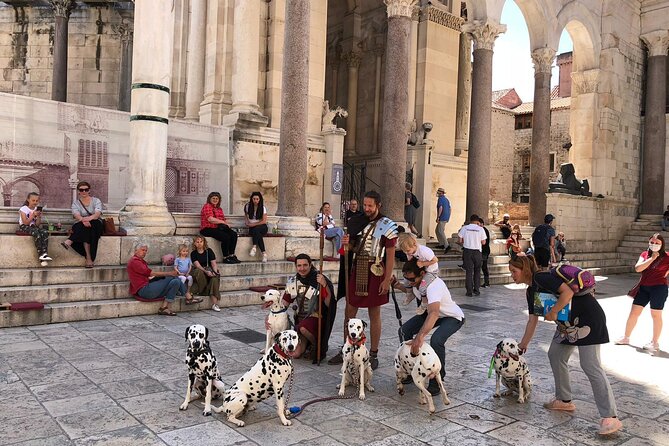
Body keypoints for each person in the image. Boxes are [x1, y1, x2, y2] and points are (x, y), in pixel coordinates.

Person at [508, 251, 622, 436]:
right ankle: (564, 400)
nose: (512, 275)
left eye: (514, 271)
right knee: (555, 354)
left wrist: (553, 310)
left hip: (587, 319)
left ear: (524, 269)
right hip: (567, 326)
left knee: (590, 366)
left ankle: (611, 417)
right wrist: (523, 344)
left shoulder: (542, 278)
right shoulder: (531, 291)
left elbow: (567, 291)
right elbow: (532, 320)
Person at [328, 190, 398, 369]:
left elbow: (390, 257)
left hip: (376, 273)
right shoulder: (356, 221)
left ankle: (373, 353)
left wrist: (387, 279)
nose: (366, 208)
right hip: (357, 269)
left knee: (374, 314)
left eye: (370, 206)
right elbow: (352, 247)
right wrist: (347, 244)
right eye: (365, 205)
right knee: (349, 312)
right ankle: (346, 348)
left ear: (378, 205)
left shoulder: (387, 225)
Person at [392, 258, 464, 395]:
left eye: (412, 279)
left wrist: (420, 336)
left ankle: (437, 380)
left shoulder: (433, 286)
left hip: (451, 316)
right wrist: (397, 284)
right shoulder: (418, 283)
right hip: (431, 313)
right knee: (404, 331)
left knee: (436, 340)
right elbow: (412, 291)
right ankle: (409, 369)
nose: (410, 282)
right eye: (407, 279)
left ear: (422, 273)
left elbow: (434, 312)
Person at [615, 233, 669, 354]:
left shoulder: (667, 256)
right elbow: (638, 268)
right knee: (634, 312)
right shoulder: (645, 255)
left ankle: (655, 342)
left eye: (657, 243)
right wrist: (652, 259)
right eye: (652, 242)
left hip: (659, 288)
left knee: (656, 315)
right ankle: (626, 337)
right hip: (644, 288)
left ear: (662, 244)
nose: (654, 245)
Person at [278, 254, 336, 360]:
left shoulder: (319, 279)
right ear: (296, 266)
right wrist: (273, 316)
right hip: (300, 321)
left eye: (305, 265)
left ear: (310, 265)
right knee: (295, 354)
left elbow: (329, 303)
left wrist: (324, 285)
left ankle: (317, 346)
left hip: (316, 318)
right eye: (299, 265)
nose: (302, 268)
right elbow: (284, 303)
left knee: (303, 328)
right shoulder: (294, 281)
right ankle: (307, 345)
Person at [127, 242, 185, 316]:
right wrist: (169, 273)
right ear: (135, 250)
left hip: (149, 286)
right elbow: (151, 273)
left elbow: (148, 275)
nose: (144, 252)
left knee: (176, 282)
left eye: (145, 251)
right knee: (172, 276)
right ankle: (187, 295)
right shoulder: (134, 261)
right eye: (142, 250)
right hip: (144, 290)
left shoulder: (141, 261)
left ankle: (164, 308)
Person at [60, 181, 103, 268]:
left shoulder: (96, 200)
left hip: (95, 223)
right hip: (82, 224)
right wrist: (83, 220)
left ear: (89, 190)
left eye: (86, 190)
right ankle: (89, 258)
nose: (84, 192)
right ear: (78, 191)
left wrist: (87, 219)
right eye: (81, 190)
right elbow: (76, 215)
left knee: (90, 225)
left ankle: (70, 240)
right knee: (82, 228)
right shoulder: (76, 203)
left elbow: (97, 214)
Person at [199, 191, 240, 264]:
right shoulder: (207, 206)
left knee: (233, 234)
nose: (215, 200)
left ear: (219, 200)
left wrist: (226, 224)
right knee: (225, 237)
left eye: (217, 199)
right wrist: (223, 222)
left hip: (217, 228)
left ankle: (231, 255)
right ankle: (225, 257)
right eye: (213, 198)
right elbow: (210, 219)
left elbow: (223, 219)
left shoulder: (219, 209)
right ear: (209, 199)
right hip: (207, 229)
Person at [18, 192, 52, 263]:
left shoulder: (36, 209)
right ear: (28, 200)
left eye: (37, 201)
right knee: (36, 233)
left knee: (44, 232)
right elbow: (25, 222)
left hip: (33, 226)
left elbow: (37, 225)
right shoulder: (23, 209)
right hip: (24, 226)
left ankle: (45, 253)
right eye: (33, 200)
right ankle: (40, 254)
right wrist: (33, 215)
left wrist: (39, 216)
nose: (35, 202)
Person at [458, 214, 487, 297]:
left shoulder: (464, 228)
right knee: (477, 271)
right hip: (477, 252)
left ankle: (469, 291)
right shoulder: (481, 229)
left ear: (470, 220)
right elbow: (484, 242)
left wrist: (466, 241)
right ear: (477, 221)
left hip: (467, 251)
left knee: (469, 271)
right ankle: (477, 290)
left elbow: (460, 240)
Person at [190, 235, 222, 312]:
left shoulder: (209, 251)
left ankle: (214, 304)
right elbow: (197, 265)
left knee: (214, 278)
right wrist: (206, 272)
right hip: (201, 272)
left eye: (201, 241)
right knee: (198, 271)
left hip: (210, 271)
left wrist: (214, 272)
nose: (199, 243)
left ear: (204, 242)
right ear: (194, 243)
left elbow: (213, 264)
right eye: (197, 242)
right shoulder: (193, 253)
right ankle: (204, 290)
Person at [245, 191, 268, 263]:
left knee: (257, 229)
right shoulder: (247, 206)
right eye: (254, 199)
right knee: (257, 233)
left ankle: (254, 247)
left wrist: (253, 224)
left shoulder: (262, 208)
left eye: (257, 199)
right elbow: (246, 216)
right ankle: (264, 254)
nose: (255, 201)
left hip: (262, 227)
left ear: (260, 199)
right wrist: (247, 222)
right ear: (251, 199)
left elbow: (264, 221)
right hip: (253, 228)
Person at [435, 187, 451, 253]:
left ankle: (447, 245)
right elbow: (450, 209)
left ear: (440, 193)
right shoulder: (446, 199)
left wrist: (438, 217)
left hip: (442, 217)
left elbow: (440, 207)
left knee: (441, 231)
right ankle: (441, 244)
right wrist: (448, 217)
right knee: (437, 230)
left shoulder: (440, 199)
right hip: (446, 217)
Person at [478, 217, 491, 288]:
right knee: (483, 267)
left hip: (484, 251)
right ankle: (486, 282)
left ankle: (486, 282)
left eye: (479, 224)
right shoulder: (483, 230)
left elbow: (484, 242)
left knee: (483, 267)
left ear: (482, 224)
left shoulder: (484, 230)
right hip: (484, 251)